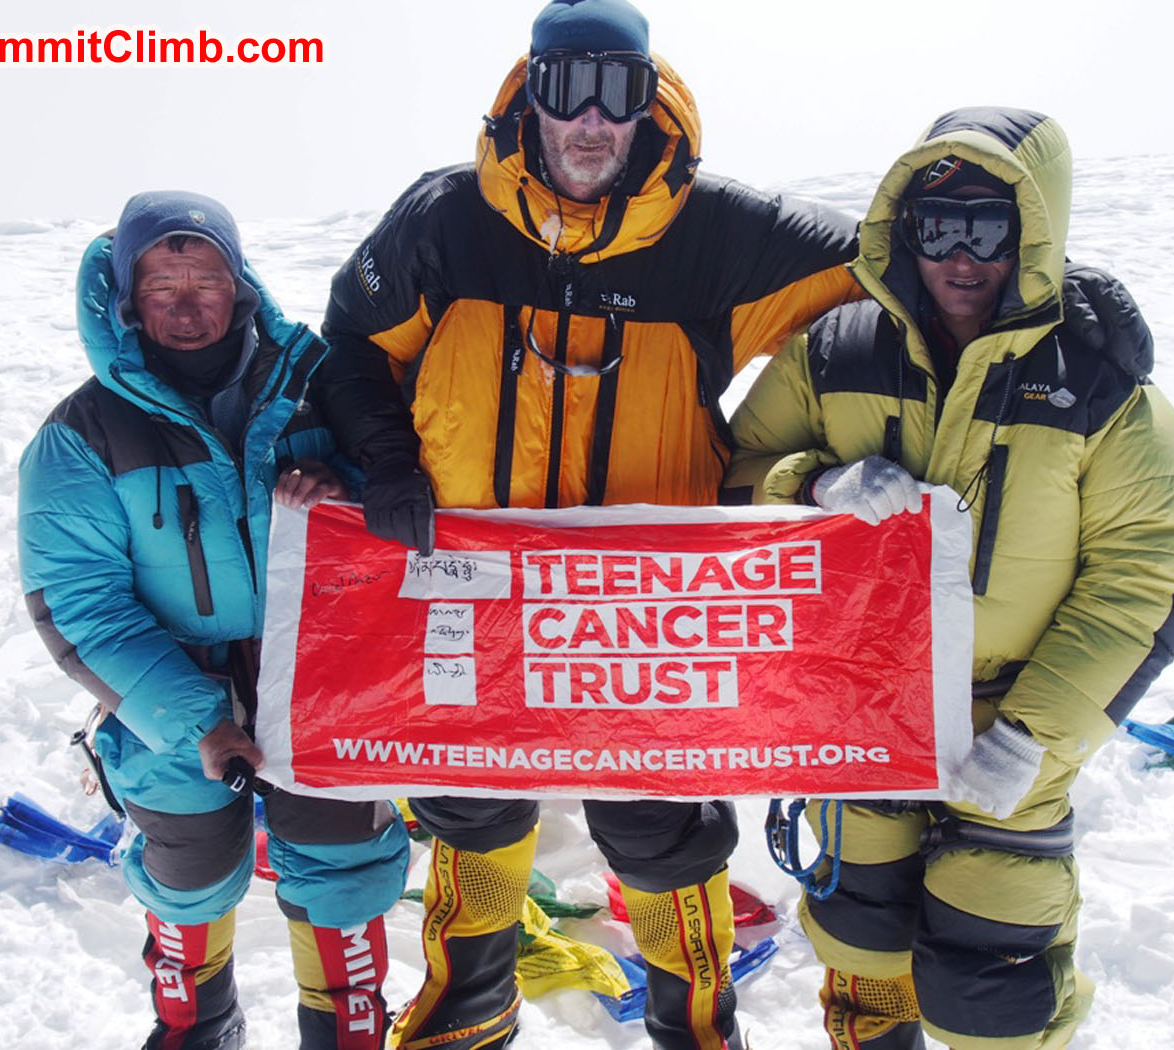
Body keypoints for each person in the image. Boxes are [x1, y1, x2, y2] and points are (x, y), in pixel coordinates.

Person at [317, 0, 878, 1046]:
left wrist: (1050, 290)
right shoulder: (445, 220)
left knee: (658, 823)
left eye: (614, 91)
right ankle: (461, 1017)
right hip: (471, 589)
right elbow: (350, 345)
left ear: (644, 103)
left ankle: (696, 1029)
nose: (587, 118)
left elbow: (889, 261)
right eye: (561, 87)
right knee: (472, 808)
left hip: (639, 613)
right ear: (526, 97)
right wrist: (383, 455)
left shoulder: (713, 234)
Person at [726, 108, 1174, 1050]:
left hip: (1011, 727)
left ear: (1033, 230)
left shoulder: (1099, 381)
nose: (959, 255)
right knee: (864, 956)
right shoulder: (833, 350)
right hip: (867, 716)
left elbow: (1143, 577)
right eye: (936, 228)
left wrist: (1035, 739)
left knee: (993, 993)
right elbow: (735, 482)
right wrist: (812, 485)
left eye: (986, 226)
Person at [18, 191, 410, 1050]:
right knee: (189, 866)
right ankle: (196, 1023)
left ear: (240, 283)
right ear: (128, 298)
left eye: (206, 279)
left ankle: (345, 1024)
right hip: (174, 692)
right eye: (163, 286)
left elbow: (409, 485)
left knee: (341, 861)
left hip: (323, 680)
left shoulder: (320, 384)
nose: (189, 305)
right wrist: (200, 721)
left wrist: (347, 496)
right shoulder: (81, 436)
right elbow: (80, 605)